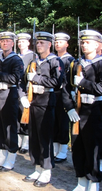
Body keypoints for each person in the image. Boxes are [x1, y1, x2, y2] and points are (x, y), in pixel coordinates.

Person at [22, 32, 63, 187]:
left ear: (49, 45)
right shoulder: (34, 61)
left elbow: (57, 82)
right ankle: (37, 167)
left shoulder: (54, 61)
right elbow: (24, 80)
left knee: (45, 137)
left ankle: (46, 171)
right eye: (37, 43)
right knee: (34, 137)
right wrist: (24, 96)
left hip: (46, 103)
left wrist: (37, 78)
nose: (39, 45)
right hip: (33, 102)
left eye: (42, 43)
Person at [63, 29, 102, 191]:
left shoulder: (100, 64)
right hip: (78, 111)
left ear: (98, 45)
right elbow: (65, 88)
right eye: (82, 42)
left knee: (94, 148)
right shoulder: (76, 64)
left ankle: (94, 182)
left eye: (88, 42)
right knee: (77, 146)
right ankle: (81, 181)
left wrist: (83, 82)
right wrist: (69, 107)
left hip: (96, 111)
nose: (84, 45)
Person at [0, 32, 24, 171]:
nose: (5, 43)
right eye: (3, 41)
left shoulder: (16, 60)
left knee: (9, 127)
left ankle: (11, 158)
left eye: (8, 41)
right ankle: (1, 156)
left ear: (13, 43)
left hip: (9, 95)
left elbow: (16, 79)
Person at [53, 32, 74, 163]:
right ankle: (55, 148)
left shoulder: (70, 60)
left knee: (63, 122)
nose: (57, 44)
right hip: (53, 94)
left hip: (63, 95)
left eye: (60, 42)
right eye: (56, 42)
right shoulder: (53, 58)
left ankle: (63, 150)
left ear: (66, 44)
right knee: (54, 122)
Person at [16, 33, 34, 154]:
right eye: (19, 42)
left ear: (28, 43)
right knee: (17, 116)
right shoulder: (15, 56)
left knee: (26, 116)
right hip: (15, 89)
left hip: (26, 90)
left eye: (23, 41)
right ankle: (19, 141)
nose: (20, 43)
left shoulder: (33, 56)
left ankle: (26, 143)